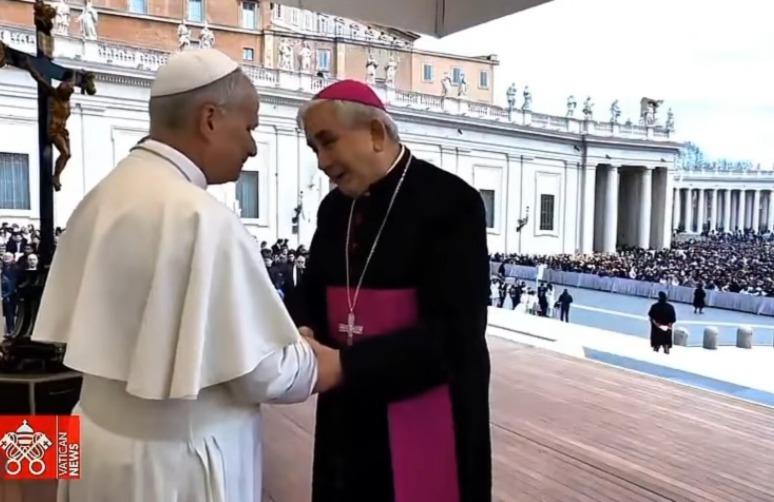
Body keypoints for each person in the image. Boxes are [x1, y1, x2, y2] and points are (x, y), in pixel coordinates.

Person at [32, 49, 340, 502]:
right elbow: (261, 372)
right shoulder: (202, 218)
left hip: (95, 449)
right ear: (210, 119)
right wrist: (319, 361)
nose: (252, 147)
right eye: (250, 127)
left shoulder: (102, 195)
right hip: (178, 466)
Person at [293, 79, 492, 502]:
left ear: (376, 133)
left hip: (429, 410)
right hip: (348, 416)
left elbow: (457, 335)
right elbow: (312, 289)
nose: (322, 161)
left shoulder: (453, 203)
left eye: (328, 143)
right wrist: (304, 328)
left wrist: (347, 365)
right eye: (315, 149)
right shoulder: (333, 209)